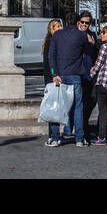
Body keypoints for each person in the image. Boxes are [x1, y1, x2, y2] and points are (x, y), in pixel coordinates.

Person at [48, 12, 96, 145]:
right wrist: (91, 43)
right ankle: (79, 139)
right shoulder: (81, 35)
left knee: (58, 107)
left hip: (60, 75)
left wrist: (54, 73)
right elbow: (89, 52)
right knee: (78, 107)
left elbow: (51, 56)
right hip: (76, 74)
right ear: (78, 23)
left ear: (65, 22)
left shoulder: (57, 35)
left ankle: (55, 138)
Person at [42, 18, 65, 147]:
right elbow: (50, 62)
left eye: (60, 25)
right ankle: (53, 135)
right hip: (52, 78)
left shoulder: (53, 41)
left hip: (52, 77)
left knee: (55, 106)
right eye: (57, 26)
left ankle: (54, 135)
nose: (60, 28)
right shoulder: (52, 42)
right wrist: (53, 74)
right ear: (52, 29)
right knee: (53, 107)